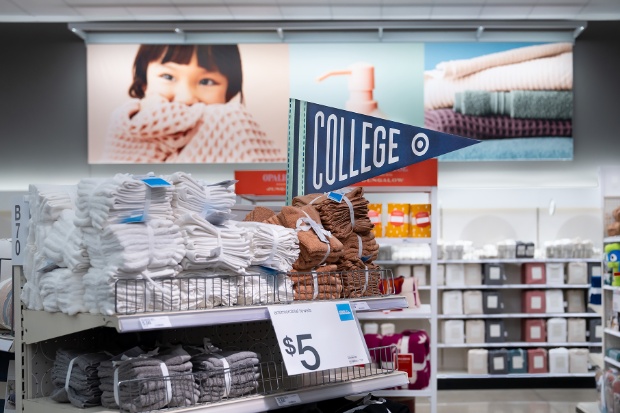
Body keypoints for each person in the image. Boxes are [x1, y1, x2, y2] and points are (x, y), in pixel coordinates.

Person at [101, 44, 284, 163]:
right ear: (143, 83)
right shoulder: (124, 124)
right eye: (168, 77)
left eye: (206, 82)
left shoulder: (230, 120)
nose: (185, 98)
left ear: (228, 92)